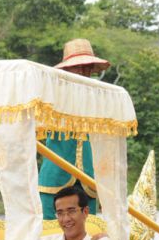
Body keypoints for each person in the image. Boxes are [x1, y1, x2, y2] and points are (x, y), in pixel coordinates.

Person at [38, 39, 110, 219]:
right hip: (55, 177)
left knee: (88, 232)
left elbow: (105, 149)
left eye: (87, 67)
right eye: (78, 67)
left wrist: (106, 189)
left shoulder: (101, 101)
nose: (83, 72)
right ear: (67, 70)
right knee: (50, 234)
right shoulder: (51, 97)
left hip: (89, 181)